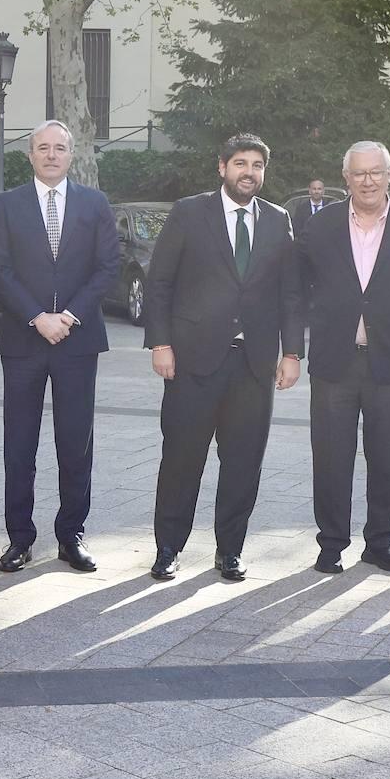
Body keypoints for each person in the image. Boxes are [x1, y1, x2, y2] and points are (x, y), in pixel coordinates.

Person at [144, 134, 304, 582]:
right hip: (192, 361)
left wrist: (292, 352)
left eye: (256, 164)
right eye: (240, 163)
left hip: (253, 364)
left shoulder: (277, 220)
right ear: (222, 167)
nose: (248, 172)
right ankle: (168, 549)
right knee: (182, 459)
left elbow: (290, 293)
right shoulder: (189, 212)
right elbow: (160, 283)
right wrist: (160, 344)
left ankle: (229, 550)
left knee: (243, 462)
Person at [0, 120, 120, 573]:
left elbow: (107, 267)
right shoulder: (7, 205)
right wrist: (37, 317)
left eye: (59, 148)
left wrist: (69, 317)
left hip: (78, 342)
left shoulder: (95, 203)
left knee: (75, 443)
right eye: (42, 148)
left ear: (71, 154)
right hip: (24, 341)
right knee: (19, 444)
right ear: (30, 154)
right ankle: (19, 539)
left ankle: (71, 536)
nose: (51, 155)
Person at [298, 142, 390, 575]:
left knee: (387, 457)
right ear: (346, 178)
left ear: (389, 174)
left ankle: (379, 542)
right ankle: (331, 544)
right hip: (333, 362)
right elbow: (296, 287)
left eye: (375, 172)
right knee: (331, 456)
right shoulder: (320, 227)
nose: (368, 181)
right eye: (359, 173)